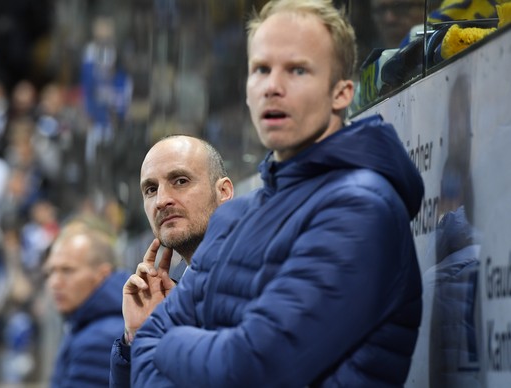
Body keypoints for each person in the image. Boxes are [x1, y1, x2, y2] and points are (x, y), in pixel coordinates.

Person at [131, 1, 425, 387]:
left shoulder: (361, 208)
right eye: (261, 70)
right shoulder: (234, 219)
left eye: (297, 69)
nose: (273, 86)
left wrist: (164, 341)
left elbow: (252, 368)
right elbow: (146, 353)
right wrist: (151, 340)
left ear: (341, 93)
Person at [109, 135, 234, 387]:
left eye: (180, 181)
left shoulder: (261, 274)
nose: (161, 200)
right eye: (151, 189)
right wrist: (139, 335)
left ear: (223, 192)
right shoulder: (169, 293)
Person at [44, 216, 131, 387]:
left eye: (67, 270)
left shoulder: (99, 340)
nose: (55, 282)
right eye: (51, 272)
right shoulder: (86, 324)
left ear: (102, 275)